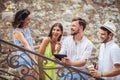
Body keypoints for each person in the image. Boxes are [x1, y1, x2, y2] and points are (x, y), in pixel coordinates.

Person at [12, 9, 37, 80]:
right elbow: (26, 45)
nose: (30, 21)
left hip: (31, 59)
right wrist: (34, 61)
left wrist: (34, 60)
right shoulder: (17, 32)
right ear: (22, 20)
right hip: (24, 60)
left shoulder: (27, 29)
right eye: (28, 19)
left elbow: (30, 45)